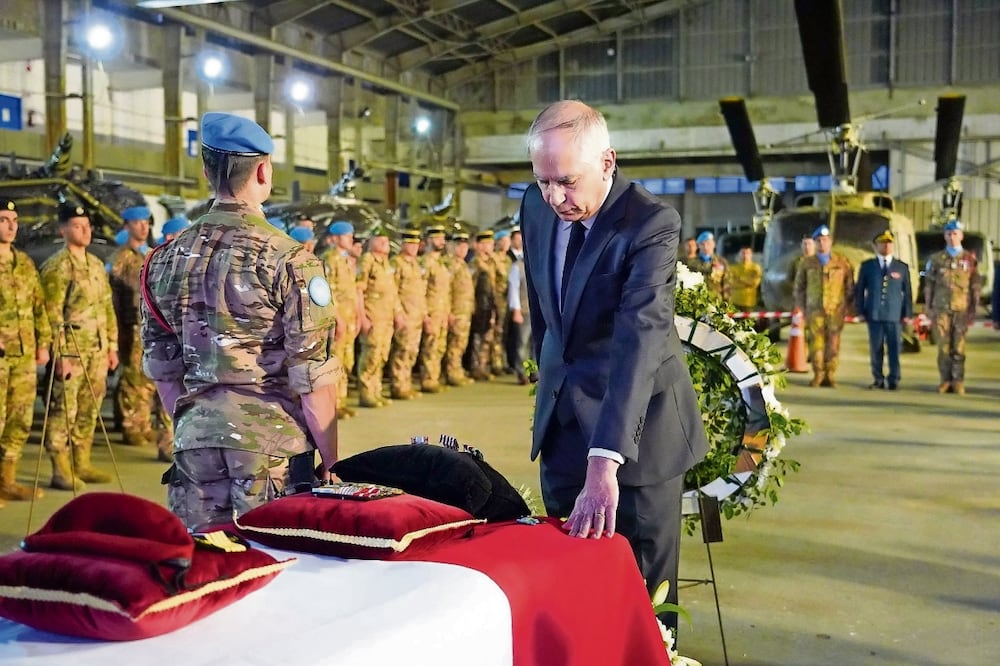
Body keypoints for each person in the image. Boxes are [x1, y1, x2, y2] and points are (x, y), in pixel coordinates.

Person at [519, 100, 709, 624]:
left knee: (641, 600)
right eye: (542, 181)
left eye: (567, 181)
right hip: (562, 431)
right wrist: (548, 395)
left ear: (607, 162)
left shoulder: (649, 223)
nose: (555, 197)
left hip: (638, 443)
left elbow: (639, 337)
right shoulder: (534, 207)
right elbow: (545, 313)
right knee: (571, 586)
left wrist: (605, 459)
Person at [140, 112, 341, 530]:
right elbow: (313, 379)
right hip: (271, 450)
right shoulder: (291, 259)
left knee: (205, 563)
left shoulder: (162, 260)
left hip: (193, 446)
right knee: (272, 562)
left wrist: (198, 426)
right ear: (263, 171)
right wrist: (332, 461)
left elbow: (164, 371)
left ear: (206, 172)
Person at [40, 202, 119, 489]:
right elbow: (51, 315)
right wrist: (60, 355)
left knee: (89, 407)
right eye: (77, 226)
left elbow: (106, 307)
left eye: (87, 226)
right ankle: (60, 467)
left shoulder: (95, 264)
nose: (85, 231)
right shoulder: (57, 267)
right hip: (72, 352)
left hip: (96, 350)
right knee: (64, 408)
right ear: (63, 230)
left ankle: (81, 461)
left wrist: (111, 346)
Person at [108, 204, 172, 462]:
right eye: (137, 223)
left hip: (149, 324)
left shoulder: (150, 254)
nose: (143, 227)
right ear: (127, 226)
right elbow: (113, 296)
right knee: (133, 376)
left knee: (146, 377)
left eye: (146, 222)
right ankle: (131, 425)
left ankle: (142, 423)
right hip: (131, 324)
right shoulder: (120, 258)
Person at [0, 198, 51, 503]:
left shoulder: (25, 263)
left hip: (23, 355)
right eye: (3, 219)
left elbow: (38, 307)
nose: (11, 226)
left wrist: (43, 343)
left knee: (19, 418)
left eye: (14, 220)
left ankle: (6, 480)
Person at [923, 219, 981, 395]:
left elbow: (975, 286)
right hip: (941, 309)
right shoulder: (935, 259)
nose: (952, 237)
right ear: (945, 236)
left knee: (959, 346)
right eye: (949, 233)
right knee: (943, 347)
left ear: (961, 236)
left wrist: (974, 309)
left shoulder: (970, 259)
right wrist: (928, 307)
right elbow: (928, 285)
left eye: (955, 233)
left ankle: (958, 380)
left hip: (961, 309)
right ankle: (945, 380)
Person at [793, 224, 855, 387]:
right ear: (815, 243)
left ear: (831, 242)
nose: (822, 243)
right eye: (819, 240)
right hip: (814, 310)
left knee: (833, 343)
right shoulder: (807, 263)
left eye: (825, 240)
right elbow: (799, 287)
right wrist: (802, 307)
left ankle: (830, 373)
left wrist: (847, 306)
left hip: (836, 310)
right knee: (816, 343)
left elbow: (849, 285)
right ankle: (818, 374)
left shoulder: (841, 262)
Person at [854, 229, 913, 390]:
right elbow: (860, 290)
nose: (886, 246)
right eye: (882, 243)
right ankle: (878, 378)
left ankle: (894, 378)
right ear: (875, 246)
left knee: (894, 348)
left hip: (894, 315)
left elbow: (907, 292)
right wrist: (859, 311)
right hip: (874, 314)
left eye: (889, 243)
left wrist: (907, 313)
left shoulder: (901, 267)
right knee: (876, 348)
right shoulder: (867, 266)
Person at [356, 227, 403, 408]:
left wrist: (398, 313)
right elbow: (359, 290)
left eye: (386, 240)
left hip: (386, 318)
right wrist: (362, 317)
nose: (385, 243)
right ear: (371, 241)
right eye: (380, 239)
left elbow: (392, 291)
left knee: (382, 355)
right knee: (371, 355)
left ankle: (376, 391)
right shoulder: (367, 260)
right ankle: (366, 393)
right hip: (373, 316)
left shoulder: (386, 263)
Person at [322, 221, 362, 418]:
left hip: (349, 317)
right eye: (347, 236)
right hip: (338, 319)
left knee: (347, 360)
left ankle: (341, 401)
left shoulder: (346, 260)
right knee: (335, 360)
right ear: (336, 238)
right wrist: (338, 319)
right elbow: (328, 292)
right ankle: (332, 405)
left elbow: (351, 291)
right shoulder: (330, 259)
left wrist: (357, 315)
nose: (351, 239)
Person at [388, 228, 427, 400]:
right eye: (410, 244)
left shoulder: (417, 264)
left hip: (416, 315)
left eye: (416, 244)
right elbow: (392, 291)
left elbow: (421, 292)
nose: (413, 247)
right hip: (405, 314)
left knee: (412, 351)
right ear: (403, 245)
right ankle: (398, 385)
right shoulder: (397, 263)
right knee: (402, 350)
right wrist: (398, 313)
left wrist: (424, 314)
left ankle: (406, 383)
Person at [418, 225, 452, 393]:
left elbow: (446, 291)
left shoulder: (442, 263)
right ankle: (428, 380)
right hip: (431, 311)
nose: (442, 241)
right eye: (438, 238)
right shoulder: (425, 262)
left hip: (442, 312)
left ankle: (435, 377)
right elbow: (420, 290)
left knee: (439, 347)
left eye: (443, 238)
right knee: (430, 347)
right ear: (429, 240)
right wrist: (425, 315)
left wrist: (448, 311)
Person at [444, 229, 475, 386]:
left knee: (461, 343)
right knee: (454, 344)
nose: (463, 249)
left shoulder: (463, 265)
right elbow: (446, 290)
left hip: (465, 311)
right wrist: (448, 311)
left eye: (465, 246)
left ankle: (457, 369)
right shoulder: (451, 265)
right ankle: (452, 372)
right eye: (459, 246)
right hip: (455, 311)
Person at [505, 225, 533, 384]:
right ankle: (521, 372)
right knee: (522, 342)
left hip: (537, 311)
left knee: (535, 343)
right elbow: (513, 289)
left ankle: (534, 371)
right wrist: (515, 310)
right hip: (523, 310)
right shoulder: (517, 267)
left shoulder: (536, 265)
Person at [469, 229, 499, 381]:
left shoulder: (491, 262)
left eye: (492, 244)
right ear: (479, 245)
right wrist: (473, 306)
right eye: (487, 244)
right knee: (478, 336)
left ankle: (483, 365)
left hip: (490, 303)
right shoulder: (475, 263)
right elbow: (470, 286)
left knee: (487, 336)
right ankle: (475, 367)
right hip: (479, 304)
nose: (491, 246)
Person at [690, 231, 729, 300]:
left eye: (708, 243)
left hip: (716, 299)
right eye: (702, 244)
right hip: (698, 300)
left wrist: (726, 300)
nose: (705, 247)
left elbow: (727, 282)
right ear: (698, 246)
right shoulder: (692, 263)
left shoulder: (721, 262)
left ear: (714, 244)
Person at [727, 246, 762, 311]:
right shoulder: (733, 268)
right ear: (739, 255)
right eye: (743, 253)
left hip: (749, 302)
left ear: (751, 255)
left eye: (747, 253)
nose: (745, 255)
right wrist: (747, 282)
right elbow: (730, 283)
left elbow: (755, 283)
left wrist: (739, 279)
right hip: (735, 301)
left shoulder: (755, 268)